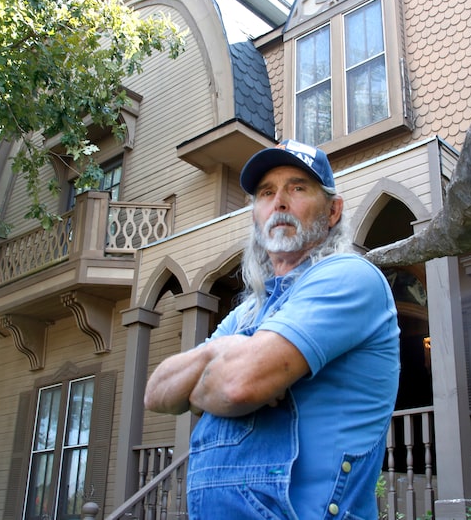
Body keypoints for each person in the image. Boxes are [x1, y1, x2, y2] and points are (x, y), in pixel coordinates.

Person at [144, 139, 400, 519]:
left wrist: (211, 378)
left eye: (297, 187)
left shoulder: (349, 277)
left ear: (333, 211)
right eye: (266, 192)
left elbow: (237, 385)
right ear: (255, 214)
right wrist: (221, 358)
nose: (279, 202)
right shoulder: (249, 313)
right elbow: (156, 392)